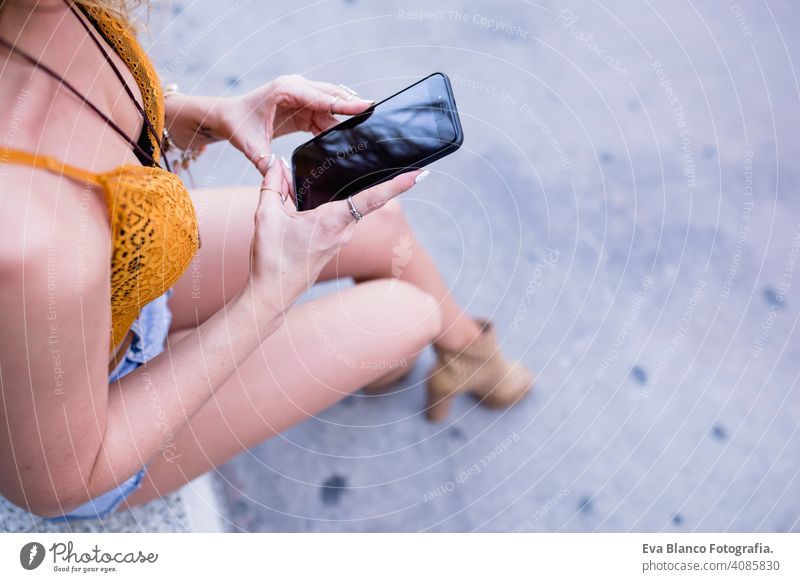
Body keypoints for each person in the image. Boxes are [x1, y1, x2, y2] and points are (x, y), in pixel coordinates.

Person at [0, 0, 534, 522]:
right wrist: (273, 289)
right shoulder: (28, 239)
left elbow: (85, 128)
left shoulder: (43, 13)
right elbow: (59, 482)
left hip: (123, 280)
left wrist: (211, 116)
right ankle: (437, 359)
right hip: (103, 417)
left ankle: (464, 356)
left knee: (382, 225)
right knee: (411, 311)